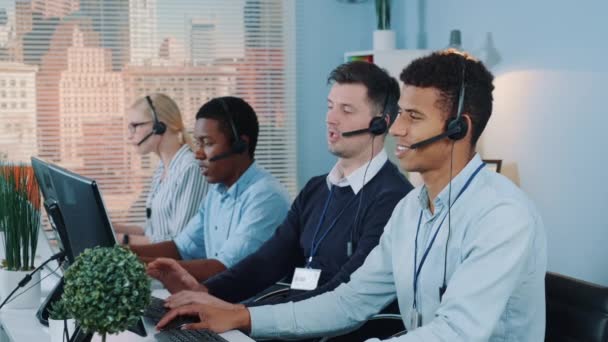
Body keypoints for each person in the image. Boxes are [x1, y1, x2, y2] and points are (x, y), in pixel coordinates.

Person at [156, 50, 548, 341]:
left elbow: (456, 332)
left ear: (458, 129)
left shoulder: (501, 215)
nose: (396, 130)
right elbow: (351, 300)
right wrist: (243, 317)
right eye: (399, 116)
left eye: (414, 118)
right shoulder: (411, 210)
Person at [146, 61, 413, 308]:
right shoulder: (317, 190)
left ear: (381, 124)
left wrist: (243, 314)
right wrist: (207, 293)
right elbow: (268, 261)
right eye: (330, 106)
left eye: (346, 110)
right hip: (292, 325)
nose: (331, 119)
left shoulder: (393, 199)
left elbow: (344, 294)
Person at [130, 96, 291, 282]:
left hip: (250, 307)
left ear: (241, 145)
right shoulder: (217, 192)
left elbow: (222, 269)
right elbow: (181, 248)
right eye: (198, 143)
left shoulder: (265, 197)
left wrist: (132, 263)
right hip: (219, 300)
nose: (198, 154)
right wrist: (122, 252)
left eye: (207, 143)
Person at [114, 93, 208, 245]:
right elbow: (155, 230)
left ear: (159, 126)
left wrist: (124, 240)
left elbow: (177, 242)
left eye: (135, 127)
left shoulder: (190, 169)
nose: (129, 136)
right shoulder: (162, 169)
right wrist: (114, 228)